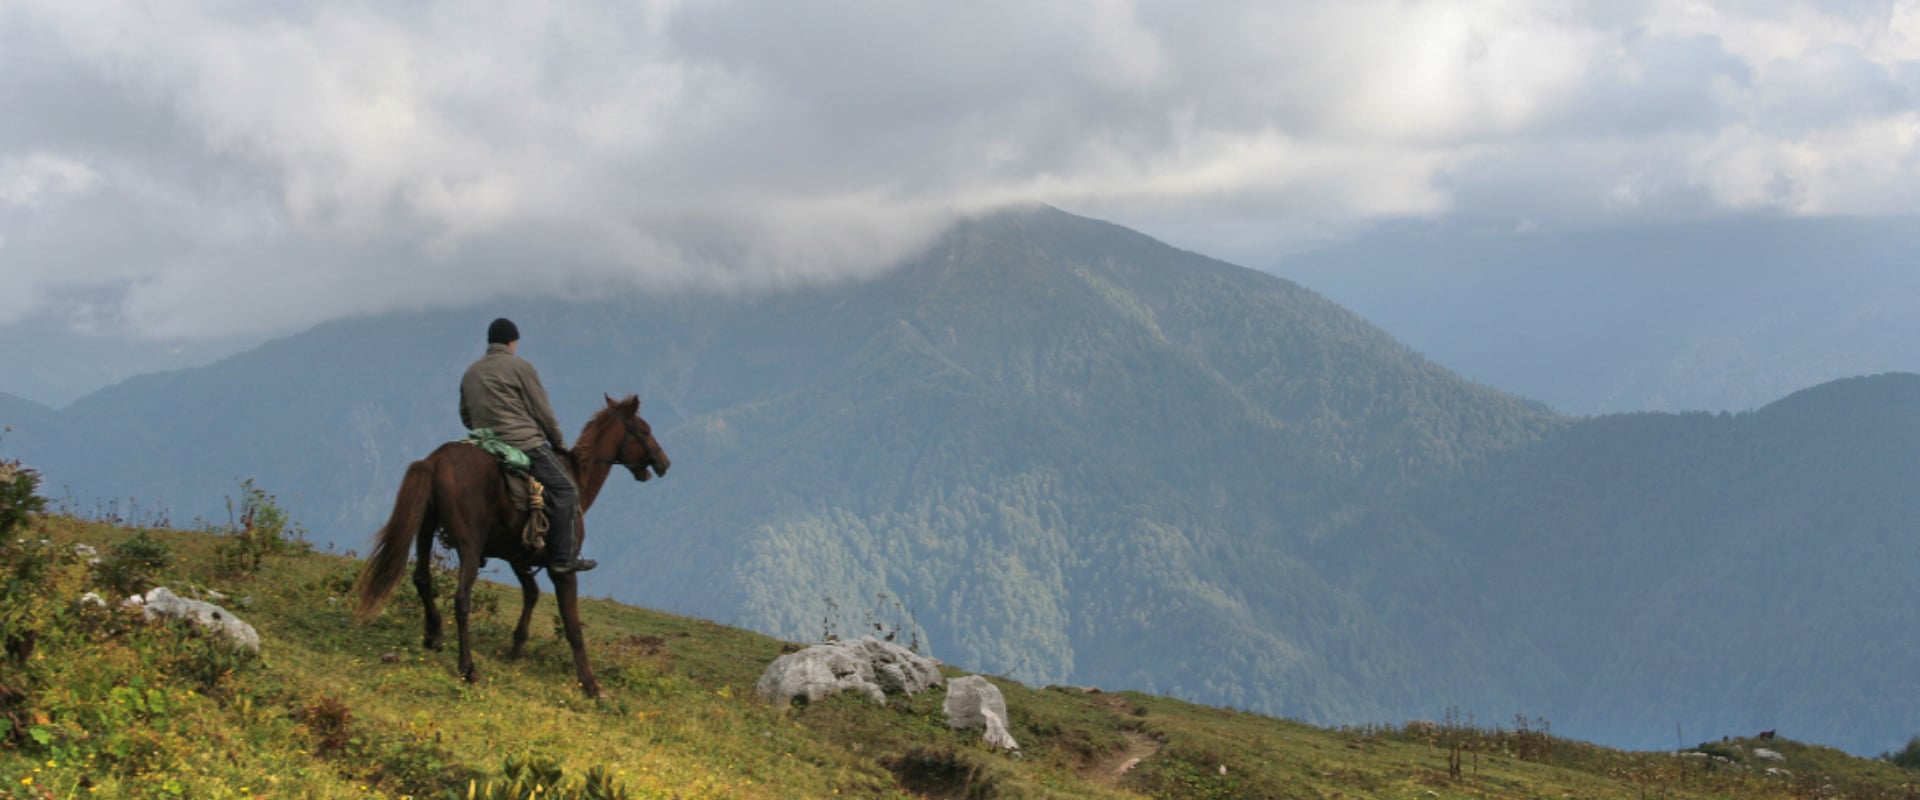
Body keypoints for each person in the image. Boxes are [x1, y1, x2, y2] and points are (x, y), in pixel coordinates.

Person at [459, 318, 594, 573]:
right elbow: (542, 411)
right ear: (513, 342)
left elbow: (465, 414)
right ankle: (562, 558)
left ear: (490, 342)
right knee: (566, 489)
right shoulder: (521, 367)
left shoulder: (471, 372)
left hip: (484, 443)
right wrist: (558, 442)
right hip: (522, 443)